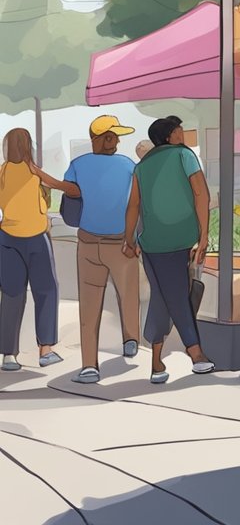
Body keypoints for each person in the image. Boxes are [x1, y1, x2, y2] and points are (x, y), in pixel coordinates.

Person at [124, 116, 214, 383]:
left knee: (163, 298)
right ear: (169, 136)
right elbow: (201, 194)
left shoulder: (142, 167)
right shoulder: (184, 155)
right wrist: (204, 234)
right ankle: (195, 353)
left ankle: (156, 361)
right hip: (179, 239)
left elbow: (133, 206)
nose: (181, 134)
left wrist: (128, 238)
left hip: (150, 243)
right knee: (176, 296)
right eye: (178, 130)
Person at [63, 116, 141, 385]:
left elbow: (70, 202)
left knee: (90, 305)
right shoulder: (129, 166)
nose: (116, 141)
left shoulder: (77, 165)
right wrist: (135, 239)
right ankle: (130, 338)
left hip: (87, 243)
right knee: (128, 293)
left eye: (116, 137)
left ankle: (89, 365)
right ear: (97, 139)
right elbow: (136, 206)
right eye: (110, 136)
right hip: (120, 243)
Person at [0, 129, 64, 370]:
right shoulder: (34, 172)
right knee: (47, 290)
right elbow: (58, 187)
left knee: (12, 294)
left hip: (7, 238)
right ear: (28, 147)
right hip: (37, 238)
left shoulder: (2, 172)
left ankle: (8, 354)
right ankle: (45, 350)